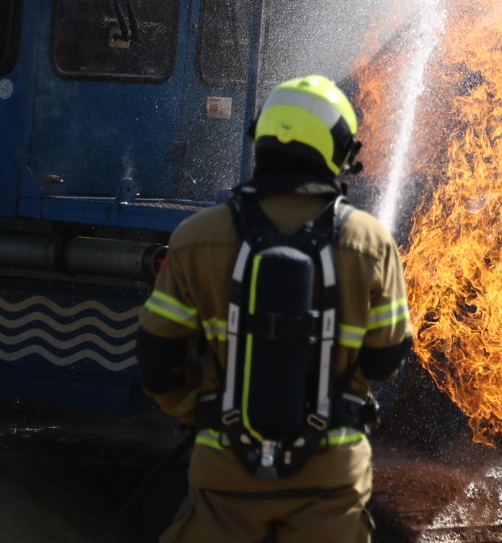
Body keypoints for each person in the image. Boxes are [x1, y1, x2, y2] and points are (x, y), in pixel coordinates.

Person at [136, 75, 413, 543]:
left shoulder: (194, 238)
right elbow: (386, 360)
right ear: (339, 150)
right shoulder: (370, 242)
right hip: (331, 481)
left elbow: (159, 361)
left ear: (261, 139)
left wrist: (199, 412)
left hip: (225, 471)